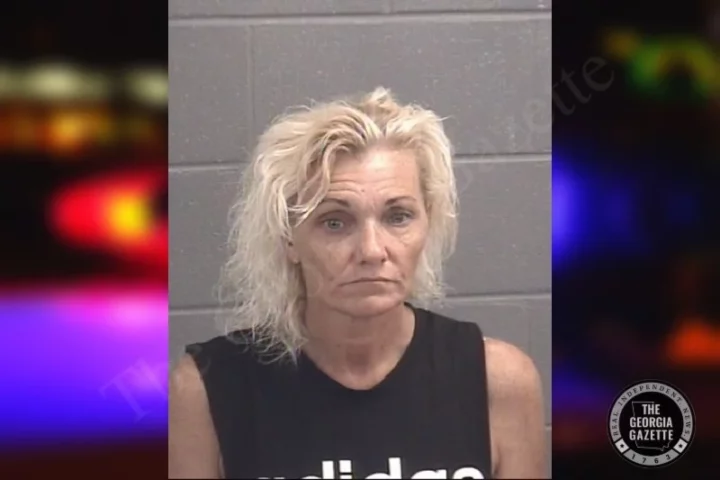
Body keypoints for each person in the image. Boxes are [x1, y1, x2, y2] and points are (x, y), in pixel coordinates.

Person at [169, 88, 547, 479]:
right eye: (334, 222)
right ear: (288, 238)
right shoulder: (208, 389)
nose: (371, 250)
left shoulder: (497, 380)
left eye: (398, 217)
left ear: (428, 222)